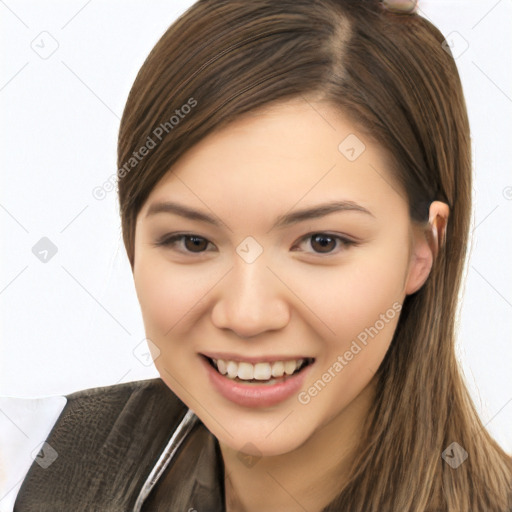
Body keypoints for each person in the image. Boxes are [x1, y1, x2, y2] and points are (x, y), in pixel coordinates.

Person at [7, 0, 512, 510]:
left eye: (322, 242)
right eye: (193, 242)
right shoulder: (27, 469)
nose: (247, 315)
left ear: (424, 248)